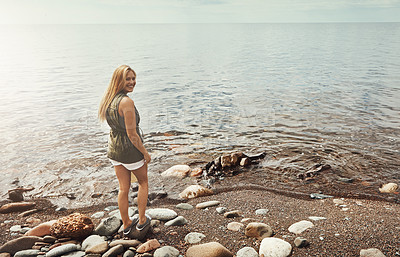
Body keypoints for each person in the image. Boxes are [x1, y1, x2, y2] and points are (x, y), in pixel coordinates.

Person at [98, 64, 151, 239]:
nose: (132, 82)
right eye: (127, 79)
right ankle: (142, 220)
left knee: (123, 188)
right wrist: (145, 153)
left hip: (114, 150)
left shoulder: (109, 99)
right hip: (129, 151)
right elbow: (132, 134)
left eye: (133, 78)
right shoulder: (126, 101)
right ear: (119, 80)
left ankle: (127, 223)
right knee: (143, 183)